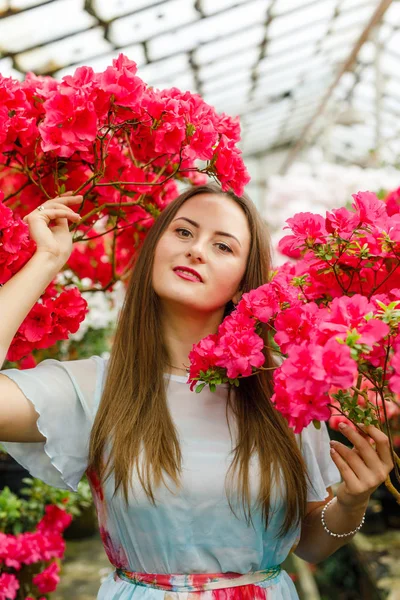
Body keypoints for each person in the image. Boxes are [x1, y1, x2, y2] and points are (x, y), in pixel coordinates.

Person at [0, 184, 394, 600]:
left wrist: (352, 503)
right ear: (155, 248)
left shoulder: (286, 389)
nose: (197, 250)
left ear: (245, 285)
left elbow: (311, 543)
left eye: (222, 246)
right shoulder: (95, 388)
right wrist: (46, 260)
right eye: (184, 233)